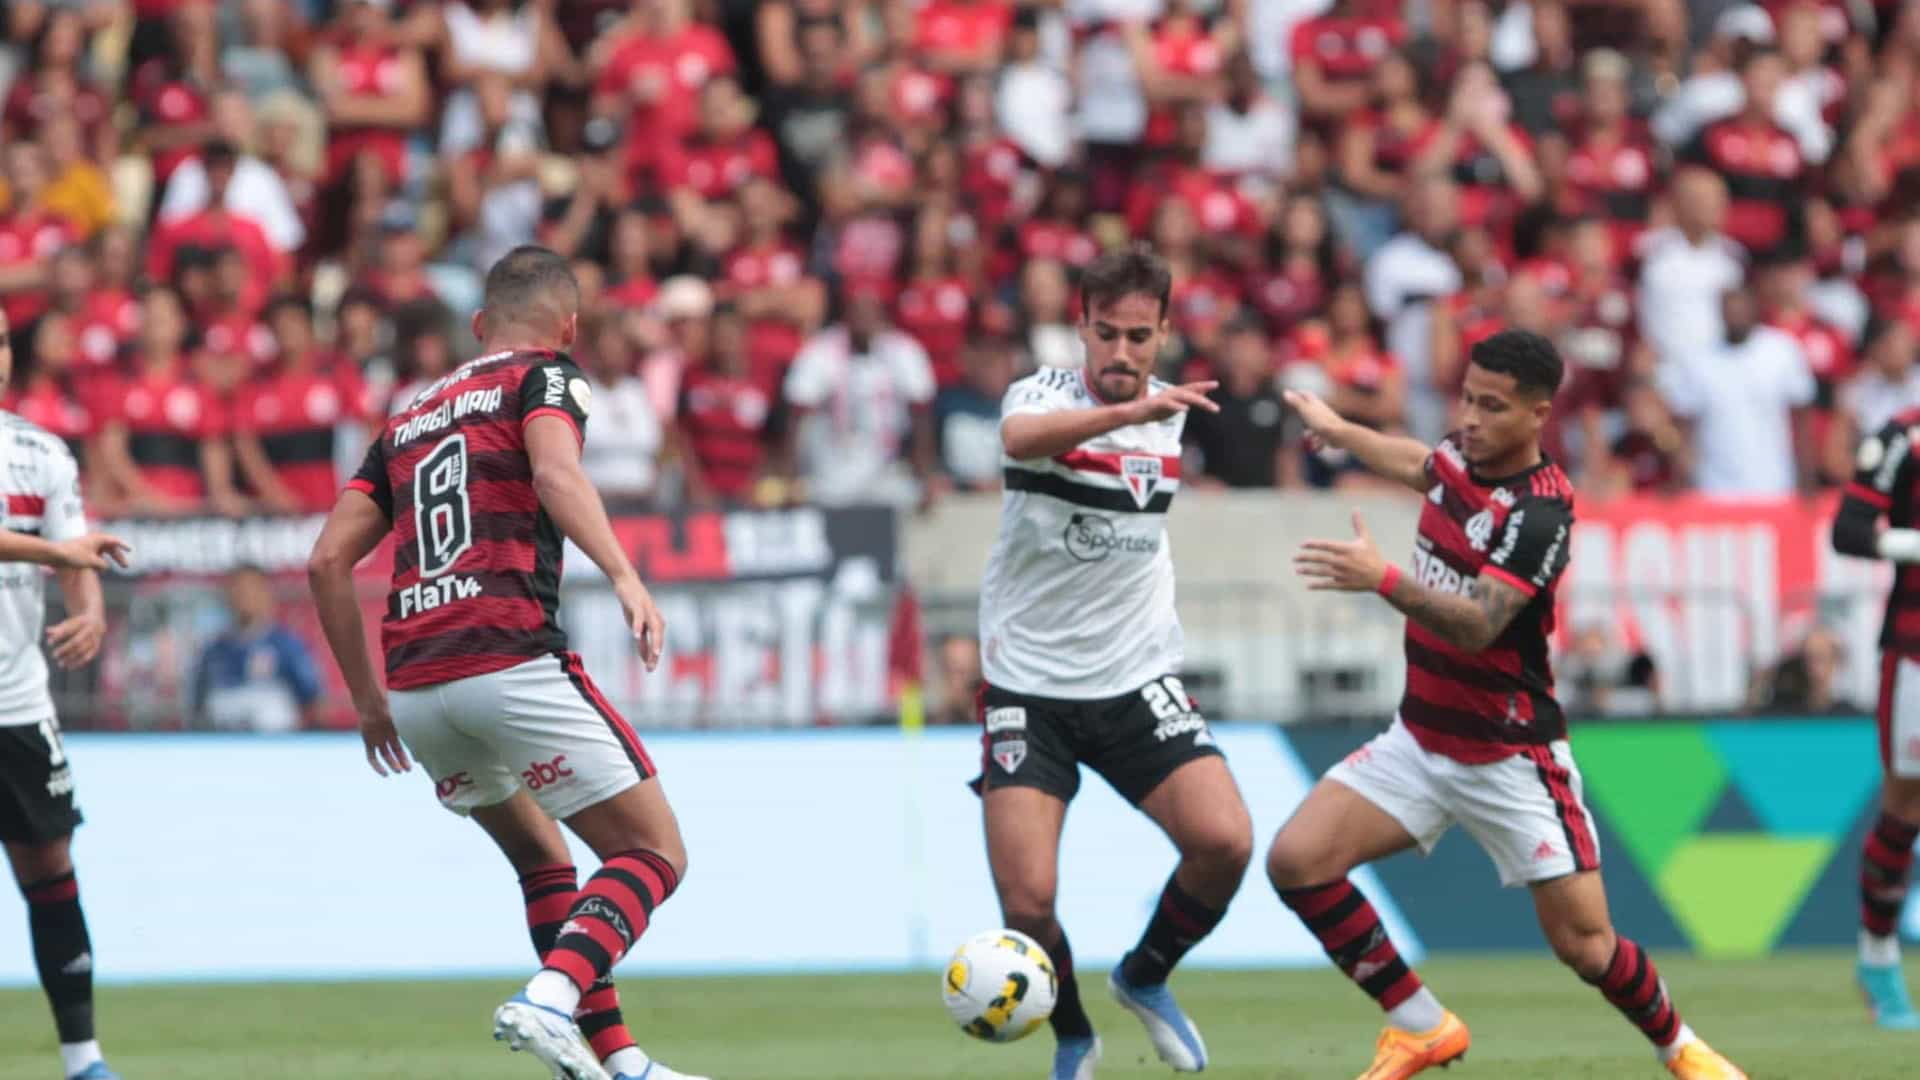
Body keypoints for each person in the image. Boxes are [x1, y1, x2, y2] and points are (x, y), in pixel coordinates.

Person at [1271, 329, 1747, 1080]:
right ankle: (1422, 1026)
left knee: (1586, 947)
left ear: (1537, 415)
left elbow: (1478, 623)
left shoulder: (1542, 514)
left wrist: (1383, 578)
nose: (1470, 418)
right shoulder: (1460, 458)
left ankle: (1680, 1047)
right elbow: (1415, 462)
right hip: (1421, 741)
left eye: (1492, 407)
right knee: (1297, 862)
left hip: (1509, 752)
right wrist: (1340, 432)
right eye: (1466, 398)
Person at [305, 246, 705, 1080]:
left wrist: (367, 702)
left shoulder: (406, 417)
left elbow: (324, 561)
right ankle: (549, 996)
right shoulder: (547, 377)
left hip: (416, 689)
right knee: (653, 853)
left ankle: (619, 1064)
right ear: (568, 327)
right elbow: (556, 470)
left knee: (544, 861)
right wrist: (627, 575)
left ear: (478, 325)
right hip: (506, 655)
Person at [976, 246, 1254, 1080]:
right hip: (1029, 685)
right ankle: (1073, 1035)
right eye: (1107, 334)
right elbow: (1023, 438)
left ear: (1164, 331)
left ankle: (1144, 976)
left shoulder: (1173, 407)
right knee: (1026, 902)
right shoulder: (1046, 396)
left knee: (1226, 842)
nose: (1122, 354)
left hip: (1135, 678)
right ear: (1081, 330)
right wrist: (1125, 416)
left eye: (1139, 335)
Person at [0, 305, 134, 1080]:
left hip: (19, 706)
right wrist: (61, 554)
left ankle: (83, 1060)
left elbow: (78, 549)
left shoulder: (40, 452)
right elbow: (64, 546)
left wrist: (88, 611)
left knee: (50, 867)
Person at [1829, 397, 1920, 1029]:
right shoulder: (1903, 437)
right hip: (1916, 649)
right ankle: (1879, 958)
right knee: (1905, 807)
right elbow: (1850, 530)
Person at [192, 566, 323, 732]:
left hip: (276, 745)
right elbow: (197, 705)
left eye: (251, 589)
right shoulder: (213, 651)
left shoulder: (287, 646)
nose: (244, 597)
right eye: (238, 590)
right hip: (223, 746)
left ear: (266, 594)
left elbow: (314, 700)